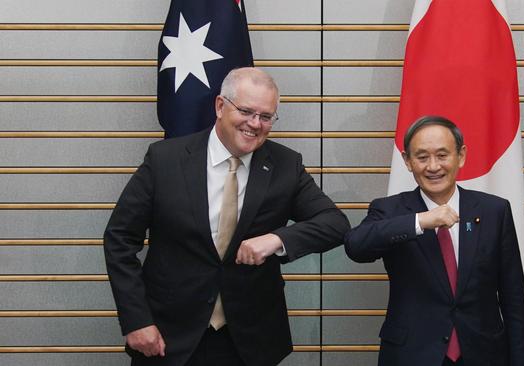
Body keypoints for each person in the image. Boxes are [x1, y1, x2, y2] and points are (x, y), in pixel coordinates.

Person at [104, 67, 350, 366]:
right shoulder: (164, 159)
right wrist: (136, 319)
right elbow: (120, 239)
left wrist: (276, 239)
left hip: (248, 342)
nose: (255, 124)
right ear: (220, 106)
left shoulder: (286, 165)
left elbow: (335, 224)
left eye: (266, 116)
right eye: (246, 111)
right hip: (168, 337)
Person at [344, 116, 524, 366]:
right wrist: (420, 221)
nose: (433, 166)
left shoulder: (493, 211)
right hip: (413, 355)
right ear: (407, 161)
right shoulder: (390, 210)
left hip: (483, 354)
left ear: (461, 156)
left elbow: (514, 301)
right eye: (422, 157)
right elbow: (356, 246)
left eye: (442, 155)